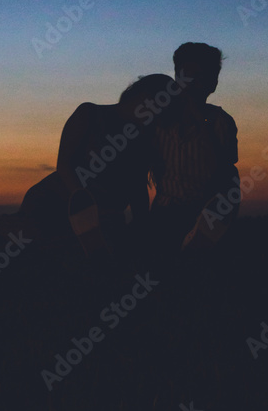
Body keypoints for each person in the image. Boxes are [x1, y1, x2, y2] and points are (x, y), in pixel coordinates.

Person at [18, 73, 178, 257]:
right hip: (55, 203)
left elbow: (137, 185)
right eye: (156, 102)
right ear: (140, 93)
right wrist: (85, 208)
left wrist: (141, 225)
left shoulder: (145, 137)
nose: (156, 112)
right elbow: (65, 164)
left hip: (103, 221)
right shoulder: (89, 114)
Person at [149, 42, 240, 257]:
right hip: (163, 213)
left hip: (203, 214)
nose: (198, 81)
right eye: (191, 74)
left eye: (207, 75)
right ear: (177, 76)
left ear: (214, 82)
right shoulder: (157, 118)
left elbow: (228, 170)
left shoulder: (220, 121)